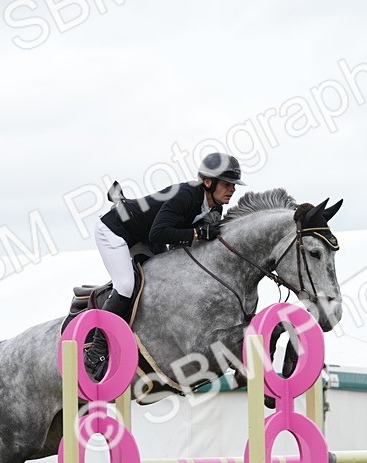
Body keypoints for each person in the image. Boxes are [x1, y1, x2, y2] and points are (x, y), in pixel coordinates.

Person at [85, 152, 246, 379]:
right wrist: (197, 233)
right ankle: (97, 349)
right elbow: (159, 233)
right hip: (115, 232)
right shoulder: (185, 195)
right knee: (126, 285)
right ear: (208, 182)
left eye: (233, 185)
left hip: (145, 235)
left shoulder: (215, 209)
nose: (232, 190)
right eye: (227, 184)